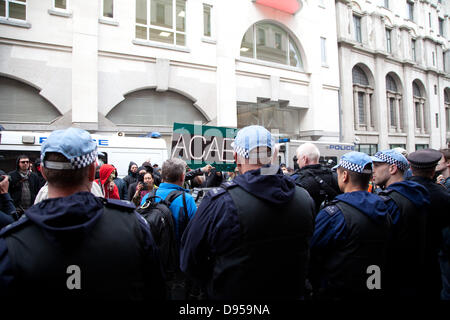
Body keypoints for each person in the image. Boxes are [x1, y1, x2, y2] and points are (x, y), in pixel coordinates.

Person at [0, 127, 165, 300]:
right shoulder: (134, 226)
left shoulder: (12, 243)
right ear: (92, 171)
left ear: (43, 172)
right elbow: (156, 290)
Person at [181, 125, 315, 299]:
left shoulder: (220, 202)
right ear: (273, 156)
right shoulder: (304, 198)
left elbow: (189, 261)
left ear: (236, 157)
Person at [309, 151, 391, 300]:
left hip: (339, 291)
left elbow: (312, 253)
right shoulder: (384, 209)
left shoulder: (333, 214)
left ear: (344, 176)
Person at [371, 149, 430, 297]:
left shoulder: (388, 202)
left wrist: (373, 284)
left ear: (392, 168)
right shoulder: (417, 193)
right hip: (415, 275)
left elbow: (378, 249)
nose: (373, 170)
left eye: (377, 165)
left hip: (391, 278)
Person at [140, 158, 197, 299]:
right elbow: (195, 233)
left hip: (152, 263)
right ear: (182, 177)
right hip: (177, 265)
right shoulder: (187, 199)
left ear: (163, 175)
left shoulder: (147, 198)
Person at [406, 148, 450, 300]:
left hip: (407, 263)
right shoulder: (444, 195)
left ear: (411, 169)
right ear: (433, 171)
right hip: (434, 263)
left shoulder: (399, 192)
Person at [293, 142, 341, 214]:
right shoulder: (335, 176)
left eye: (298, 158)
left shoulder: (296, 179)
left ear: (304, 159)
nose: (297, 161)